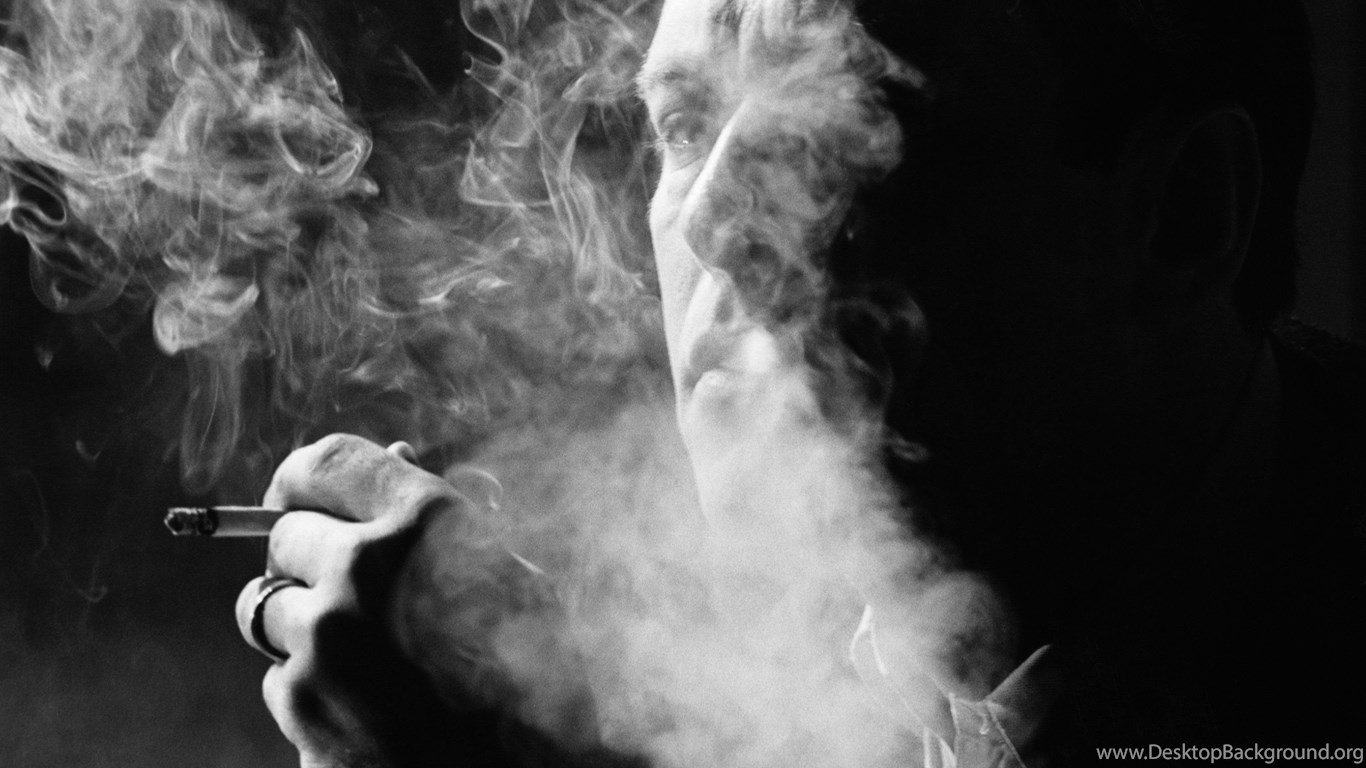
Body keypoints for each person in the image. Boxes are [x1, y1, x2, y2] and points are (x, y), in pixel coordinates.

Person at [235, 0, 1366, 765]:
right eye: (686, 124)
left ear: (1183, 218)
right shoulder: (713, 646)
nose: (715, 221)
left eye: (846, 124)